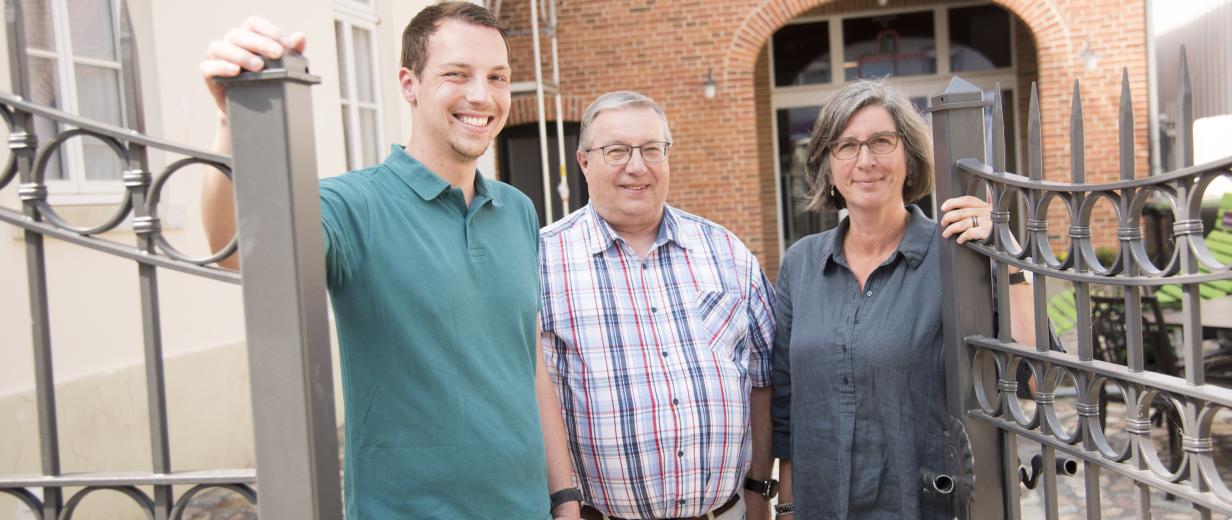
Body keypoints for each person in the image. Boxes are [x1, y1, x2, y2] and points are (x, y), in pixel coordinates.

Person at [198, 4, 578, 518]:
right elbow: (239, 251)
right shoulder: (351, 206)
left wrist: (564, 499)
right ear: (409, 83)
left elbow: (528, 362)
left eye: (497, 77)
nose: (481, 96)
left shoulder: (518, 209)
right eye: (456, 74)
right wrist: (230, 121)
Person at [769, 78, 1039, 519]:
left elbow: (1033, 382)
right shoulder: (800, 264)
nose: (865, 160)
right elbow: (786, 405)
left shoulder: (957, 257)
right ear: (828, 167)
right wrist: (788, 507)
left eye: (881, 141)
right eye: (846, 146)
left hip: (922, 506)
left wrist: (1009, 259)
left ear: (910, 161)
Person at [538, 91, 778, 520]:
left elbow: (765, 379)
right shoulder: (540, 262)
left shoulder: (726, 253)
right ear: (584, 161)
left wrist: (760, 493)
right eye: (616, 151)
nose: (637, 165)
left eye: (652, 149)